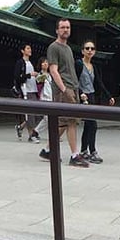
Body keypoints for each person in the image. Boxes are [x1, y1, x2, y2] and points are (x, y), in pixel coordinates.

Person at [39, 18, 89, 167]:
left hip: (72, 87)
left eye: (67, 27)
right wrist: (64, 89)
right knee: (71, 121)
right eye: (62, 27)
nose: (65, 30)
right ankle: (74, 155)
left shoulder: (68, 49)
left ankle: (47, 150)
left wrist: (76, 89)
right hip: (64, 89)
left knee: (64, 123)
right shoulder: (53, 47)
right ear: (57, 30)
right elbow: (53, 70)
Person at [75, 40, 114, 164]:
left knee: (88, 125)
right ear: (82, 51)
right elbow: (74, 81)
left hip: (91, 96)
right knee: (93, 124)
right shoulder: (79, 64)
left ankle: (83, 151)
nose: (90, 50)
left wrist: (108, 96)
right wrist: (80, 92)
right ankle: (92, 151)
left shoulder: (94, 66)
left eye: (92, 48)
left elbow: (99, 83)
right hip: (83, 97)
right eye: (87, 48)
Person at [12, 43, 40, 143]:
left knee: (38, 113)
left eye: (30, 48)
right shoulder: (20, 62)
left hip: (33, 89)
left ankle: (20, 127)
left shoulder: (31, 63)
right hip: (25, 90)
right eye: (27, 48)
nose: (30, 50)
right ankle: (31, 135)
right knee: (30, 114)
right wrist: (29, 75)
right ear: (22, 51)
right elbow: (17, 77)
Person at [33, 56, 53, 139]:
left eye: (46, 62)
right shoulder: (40, 74)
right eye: (43, 62)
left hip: (51, 98)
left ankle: (35, 132)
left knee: (47, 118)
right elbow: (38, 81)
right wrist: (40, 76)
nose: (45, 64)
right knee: (48, 118)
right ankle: (53, 135)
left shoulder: (50, 75)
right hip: (44, 97)